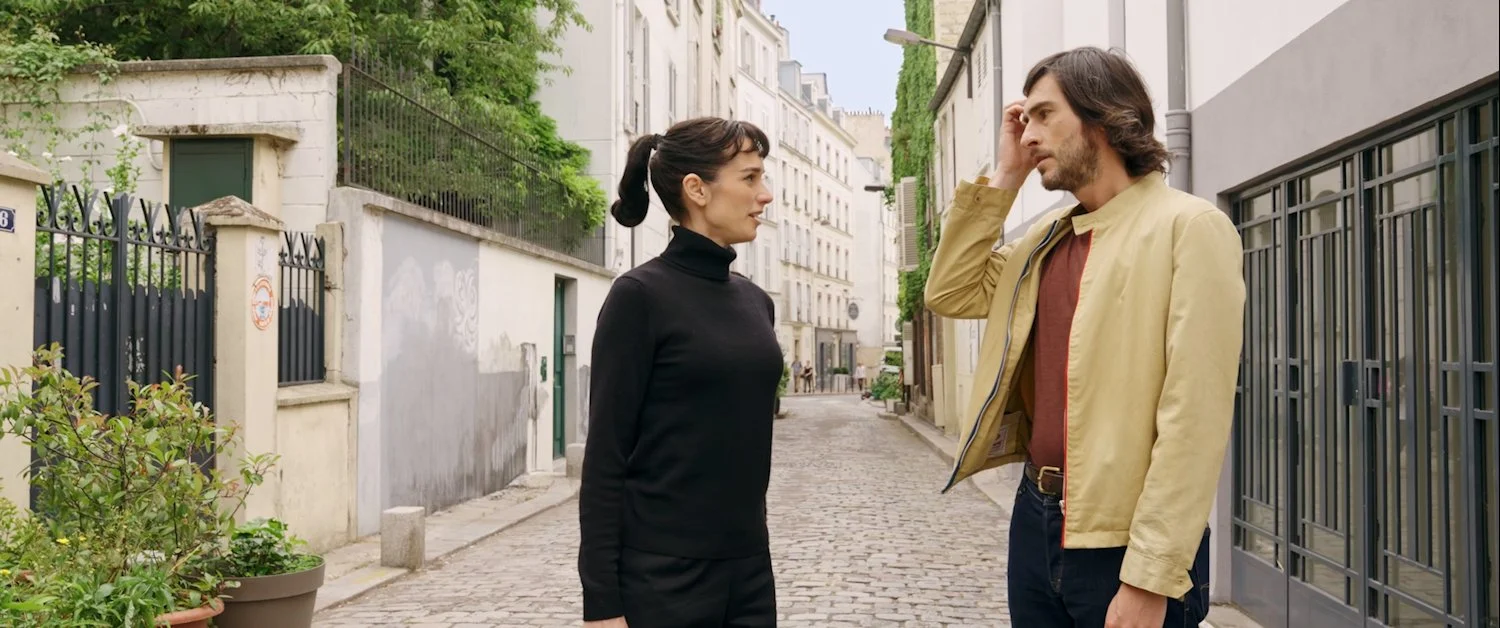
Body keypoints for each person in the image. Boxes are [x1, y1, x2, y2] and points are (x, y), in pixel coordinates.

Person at [924, 47, 1244, 627]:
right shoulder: (1045, 239)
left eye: (1045, 115)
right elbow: (951, 291)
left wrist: (1150, 575)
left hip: (1125, 540)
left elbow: (1193, 420)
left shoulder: (1190, 227)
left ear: (1102, 117)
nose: (1029, 136)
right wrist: (1006, 177)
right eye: (1025, 121)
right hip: (1036, 517)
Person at [578, 117, 781, 628]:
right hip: (663, 579)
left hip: (750, 572)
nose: (765, 195)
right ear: (697, 189)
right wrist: (602, 603)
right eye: (750, 178)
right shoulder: (639, 297)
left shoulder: (756, 302)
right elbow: (606, 456)